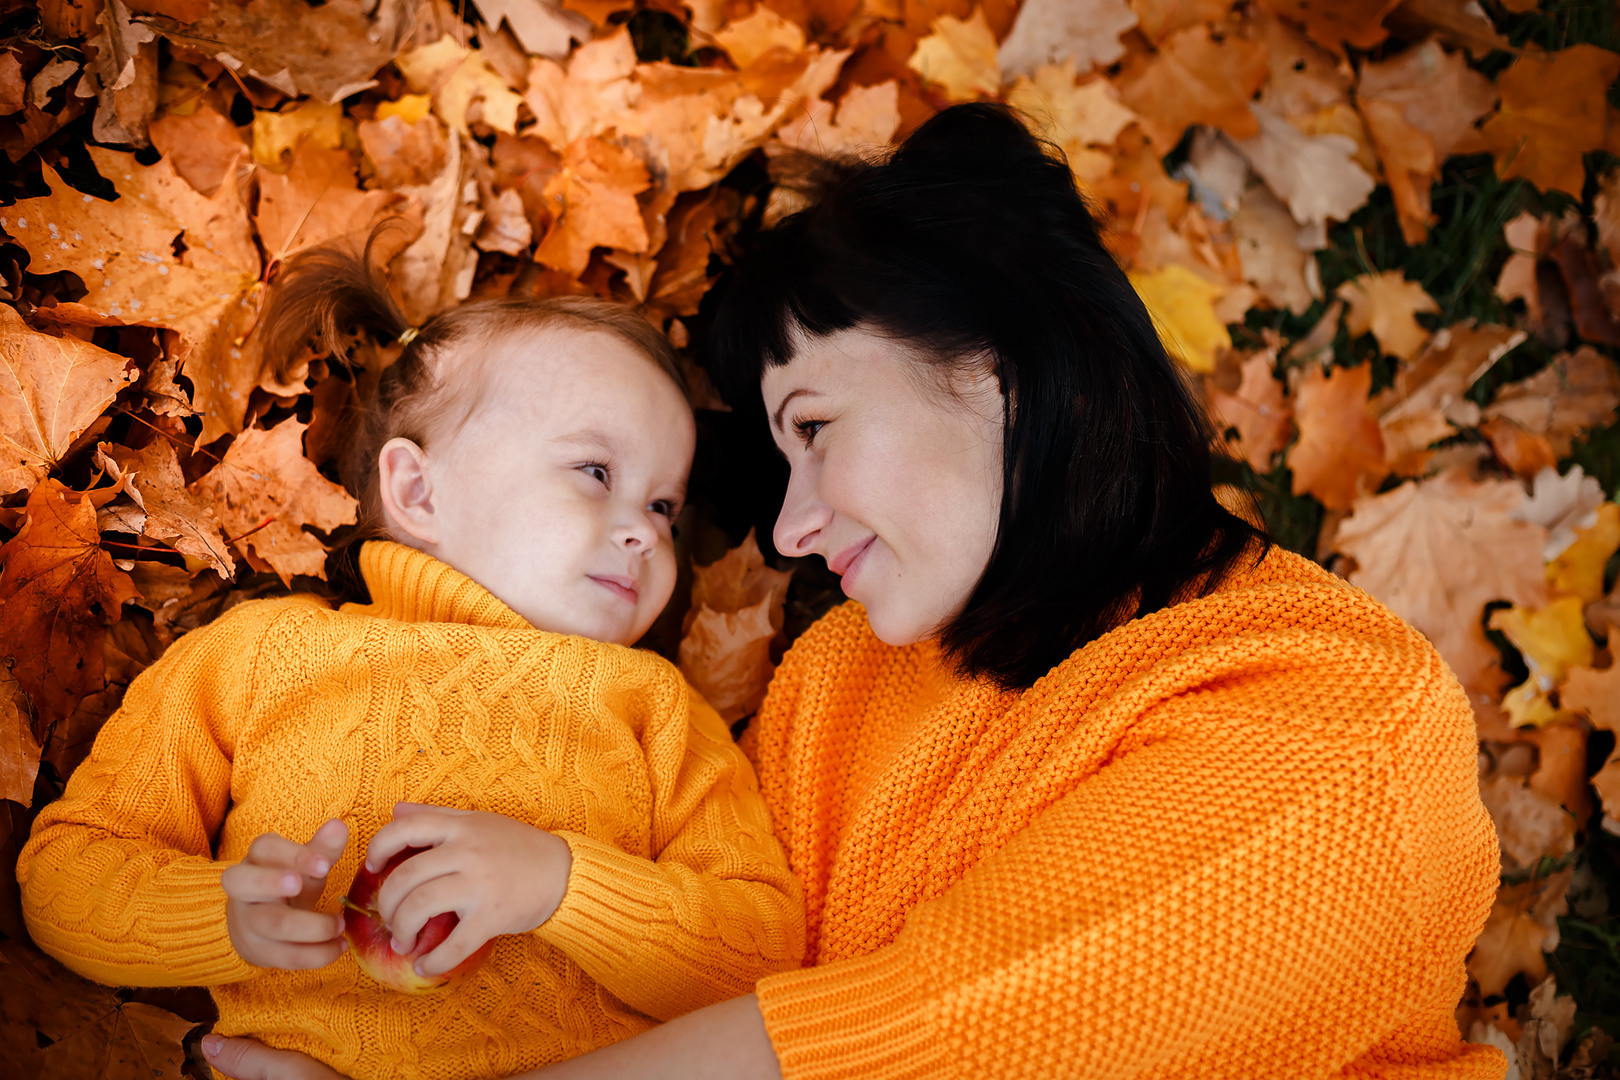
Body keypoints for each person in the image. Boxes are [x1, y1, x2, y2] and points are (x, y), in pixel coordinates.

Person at [201, 103, 1507, 1080]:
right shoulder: (843, 677)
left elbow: (926, 1035)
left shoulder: (1333, 729)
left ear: (996, 363)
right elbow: (677, 948)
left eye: (816, 426)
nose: (793, 523)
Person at [16, 228, 806, 1080]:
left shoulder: (655, 704)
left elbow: (757, 957)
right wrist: (221, 916)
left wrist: (566, 886)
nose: (642, 532)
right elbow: (66, 878)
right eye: (594, 471)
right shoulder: (258, 654)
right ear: (419, 490)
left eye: (663, 504)